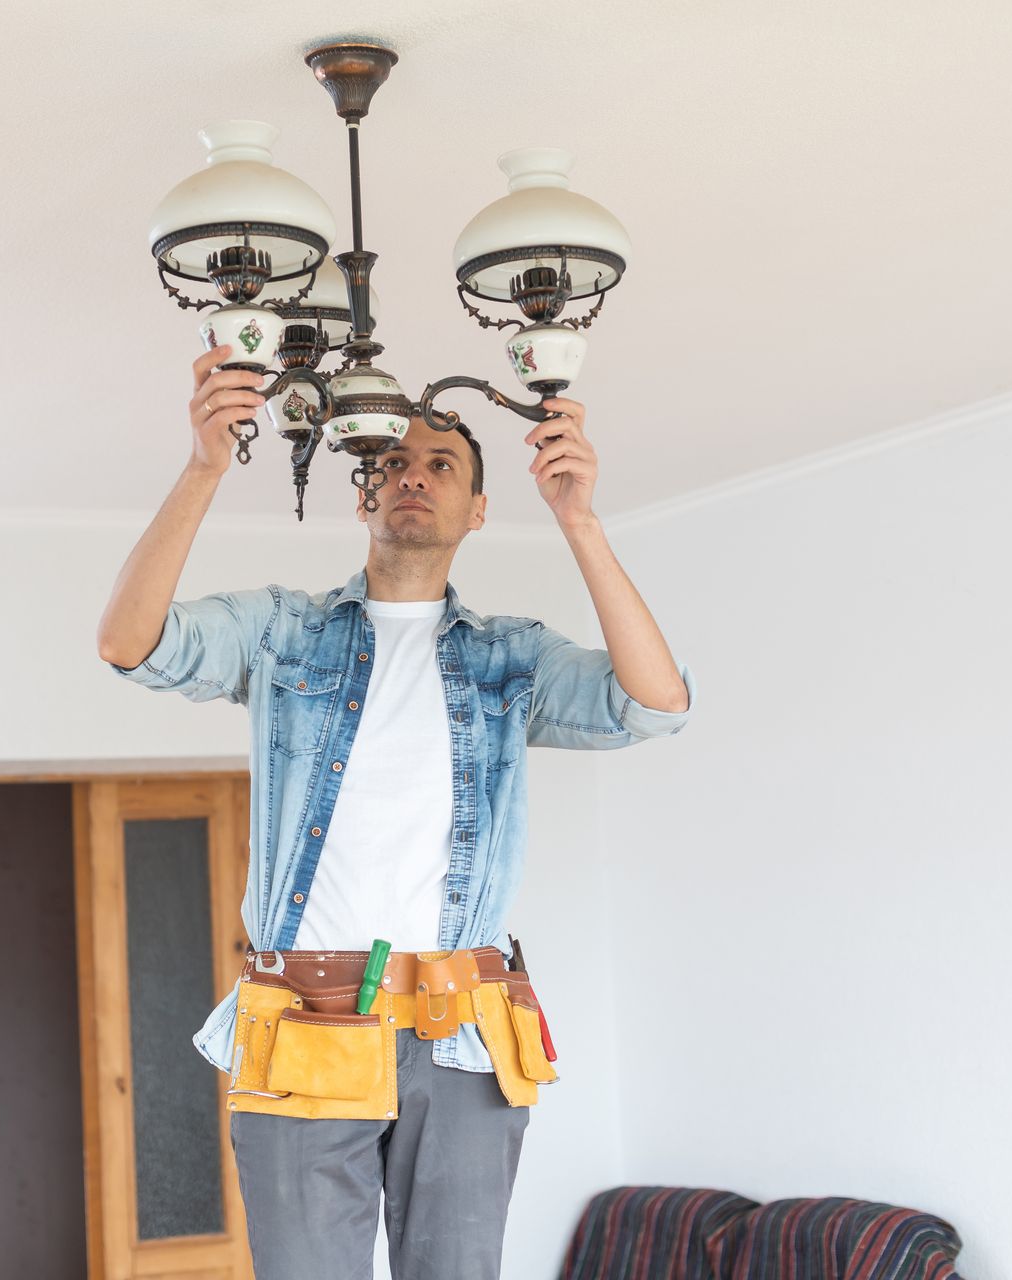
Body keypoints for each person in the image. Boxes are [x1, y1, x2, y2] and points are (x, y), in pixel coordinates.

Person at [96, 342, 695, 1280]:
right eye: (390, 462)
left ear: (477, 508)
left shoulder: (510, 658)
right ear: (364, 494)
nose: (411, 474)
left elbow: (655, 704)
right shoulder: (282, 632)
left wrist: (579, 521)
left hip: (464, 1030)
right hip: (302, 1018)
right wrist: (206, 463)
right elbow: (132, 642)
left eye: (441, 463)